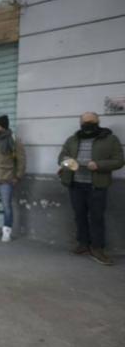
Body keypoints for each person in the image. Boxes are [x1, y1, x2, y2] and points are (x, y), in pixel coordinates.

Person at [58, 112, 123, 266]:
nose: (88, 123)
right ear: (80, 123)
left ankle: (98, 248)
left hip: (97, 185)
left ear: (98, 121)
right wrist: (68, 163)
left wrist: (99, 165)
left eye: (91, 121)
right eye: (85, 121)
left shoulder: (109, 139)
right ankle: (83, 244)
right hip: (75, 184)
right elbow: (61, 158)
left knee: (97, 217)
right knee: (79, 215)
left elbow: (119, 161)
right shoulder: (72, 139)